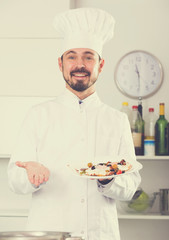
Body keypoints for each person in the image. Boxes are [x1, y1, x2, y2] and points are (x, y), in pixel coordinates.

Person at [8, 8, 141, 240]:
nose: (80, 64)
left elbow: (131, 185)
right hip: (49, 233)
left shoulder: (117, 120)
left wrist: (109, 178)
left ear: (100, 65)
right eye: (72, 56)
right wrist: (31, 174)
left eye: (88, 56)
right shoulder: (38, 115)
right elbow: (14, 179)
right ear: (60, 64)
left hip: (100, 234)